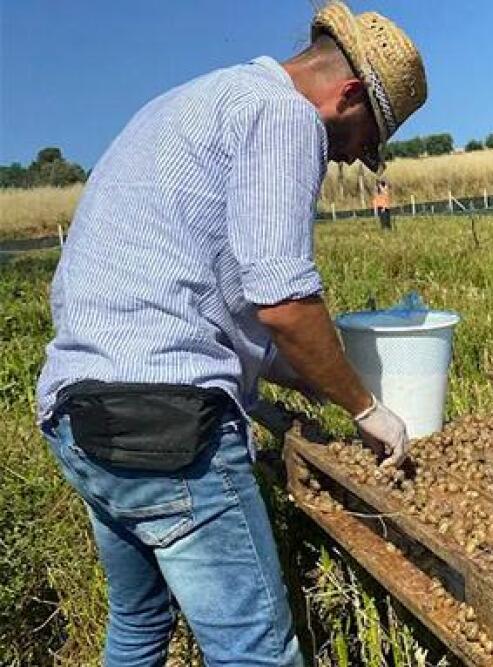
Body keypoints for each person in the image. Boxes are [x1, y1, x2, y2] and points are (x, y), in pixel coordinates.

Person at [34, 2, 426, 664]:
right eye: (367, 138)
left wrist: (305, 374)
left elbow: (206, 299)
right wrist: (367, 407)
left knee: (138, 622)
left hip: (80, 416)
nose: (356, 158)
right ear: (349, 95)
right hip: (167, 425)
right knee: (256, 653)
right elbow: (284, 302)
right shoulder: (284, 117)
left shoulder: (196, 101)